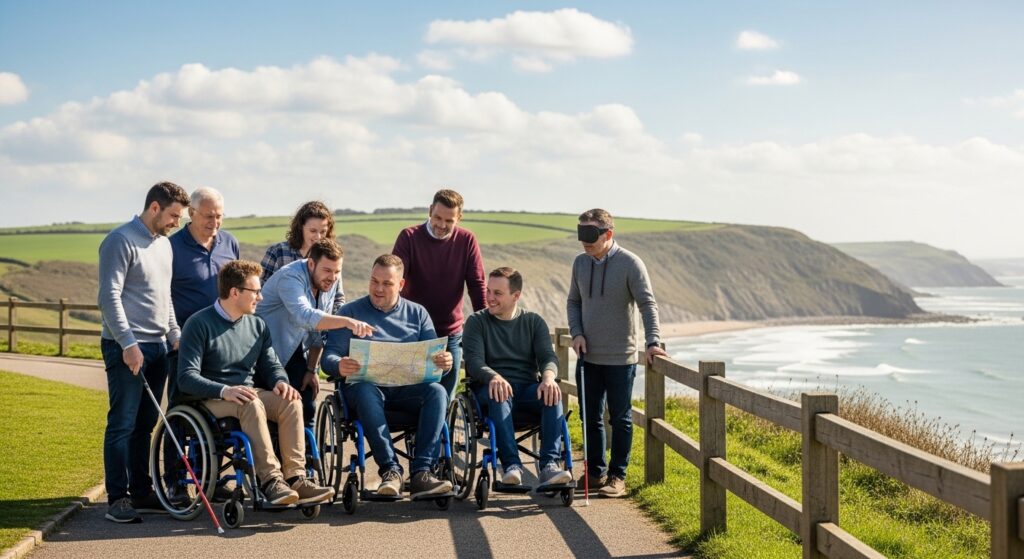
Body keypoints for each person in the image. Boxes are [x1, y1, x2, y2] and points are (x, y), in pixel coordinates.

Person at [176, 260, 334, 506]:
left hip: (247, 393)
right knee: (251, 402)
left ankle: (296, 479)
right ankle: (271, 481)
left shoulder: (257, 325)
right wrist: (224, 390)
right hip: (211, 398)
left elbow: (271, 365)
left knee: (290, 401)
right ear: (234, 292)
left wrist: (281, 381)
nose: (260, 297)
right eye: (256, 291)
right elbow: (186, 377)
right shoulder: (198, 324)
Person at [322, 254, 454, 499]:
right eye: (374, 281)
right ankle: (390, 470)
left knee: (437, 392)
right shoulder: (350, 312)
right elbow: (328, 357)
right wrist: (339, 364)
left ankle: (422, 472)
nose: (378, 289)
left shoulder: (418, 314)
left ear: (401, 285)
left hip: (407, 390)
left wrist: (445, 362)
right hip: (366, 391)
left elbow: (436, 360)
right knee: (365, 389)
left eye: (387, 283)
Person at [98, 181, 188, 523]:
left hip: (158, 347)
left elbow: (164, 299)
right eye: (173, 216)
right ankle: (117, 498)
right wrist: (128, 343)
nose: (176, 223)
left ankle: (141, 492)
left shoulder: (164, 245)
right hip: (126, 348)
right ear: (154, 207)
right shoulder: (119, 241)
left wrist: (175, 334)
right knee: (122, 422)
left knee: (145, 424)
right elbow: (109, 297)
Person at [567, 208, 668, 498]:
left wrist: (653, 342)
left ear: (608, 234)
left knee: (621, 418)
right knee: (590, 417)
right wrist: (577, 333)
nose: (584, 242)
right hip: (588, 356)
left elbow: (648, 305)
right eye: (580, 233)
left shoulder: (631, 264)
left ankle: (617, 476)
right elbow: (573, 302)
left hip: (620, 358)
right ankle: (595, 473)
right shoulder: (580, 263)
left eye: (590, 235)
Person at [463, 267, 572, 488]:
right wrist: (493, 377)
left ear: (516, 296)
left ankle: (549, 465)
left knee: (552, 394)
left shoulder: (533, 322)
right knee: (499, 394)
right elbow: (474, 362)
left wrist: (549, 378)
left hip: (526, 388)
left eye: (497, 293)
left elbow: (547, 357)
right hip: (489, 389)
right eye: (488, 291)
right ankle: (511, 466)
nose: (490, 298)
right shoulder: (477, 322)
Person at [256, 238, 373, 427]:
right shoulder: (290, 277)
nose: (333, 277)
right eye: (327, 270)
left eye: (337, 271)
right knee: (276, 415)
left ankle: (309, 455)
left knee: (308, 403)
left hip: (296, 351)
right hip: (266, 353)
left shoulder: (329, 281)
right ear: (311, 263)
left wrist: (312, 369)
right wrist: (346, 321)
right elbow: (306, 316)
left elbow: (318, 331)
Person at [391, 188, 486, 400]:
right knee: (415, 396)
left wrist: (487, 324)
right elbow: (394, 279)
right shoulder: (409, 237)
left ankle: (442, 434)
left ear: (459, 218)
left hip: (449, 333)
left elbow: (476, 284)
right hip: (412, 331)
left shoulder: (467, 241)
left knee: (445, 397)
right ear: (430, 210)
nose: (442, 225)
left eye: (449, 221)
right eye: (437, 217)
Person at [168, 186, 239, 401]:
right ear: (191, 213)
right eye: (209, 216)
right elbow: (163, 296)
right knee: (181, 399)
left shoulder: (230, 243)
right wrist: (174, 334)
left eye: (219, 216)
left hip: (223, 338)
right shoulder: (171, 247)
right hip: (185, 340)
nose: (214, 222)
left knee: (223, 399)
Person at [260, 200, 344, 312]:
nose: (318, 237)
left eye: (323, 232)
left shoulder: (330, 257)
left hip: (321, 327)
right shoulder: (278, 252)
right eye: (313, 231)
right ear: (301, 228)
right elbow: (259, 293)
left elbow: (338, 299)